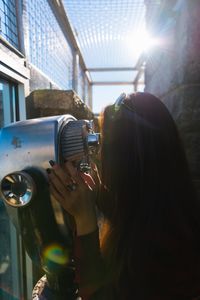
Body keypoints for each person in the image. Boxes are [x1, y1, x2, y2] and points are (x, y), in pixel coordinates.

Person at [47, 92, 200, 300]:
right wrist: (98, 195)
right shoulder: (173, 214)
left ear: (127, 162)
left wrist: (85, 220)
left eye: (105, 145)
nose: (99, 154)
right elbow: (135, 216)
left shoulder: (159, 254)